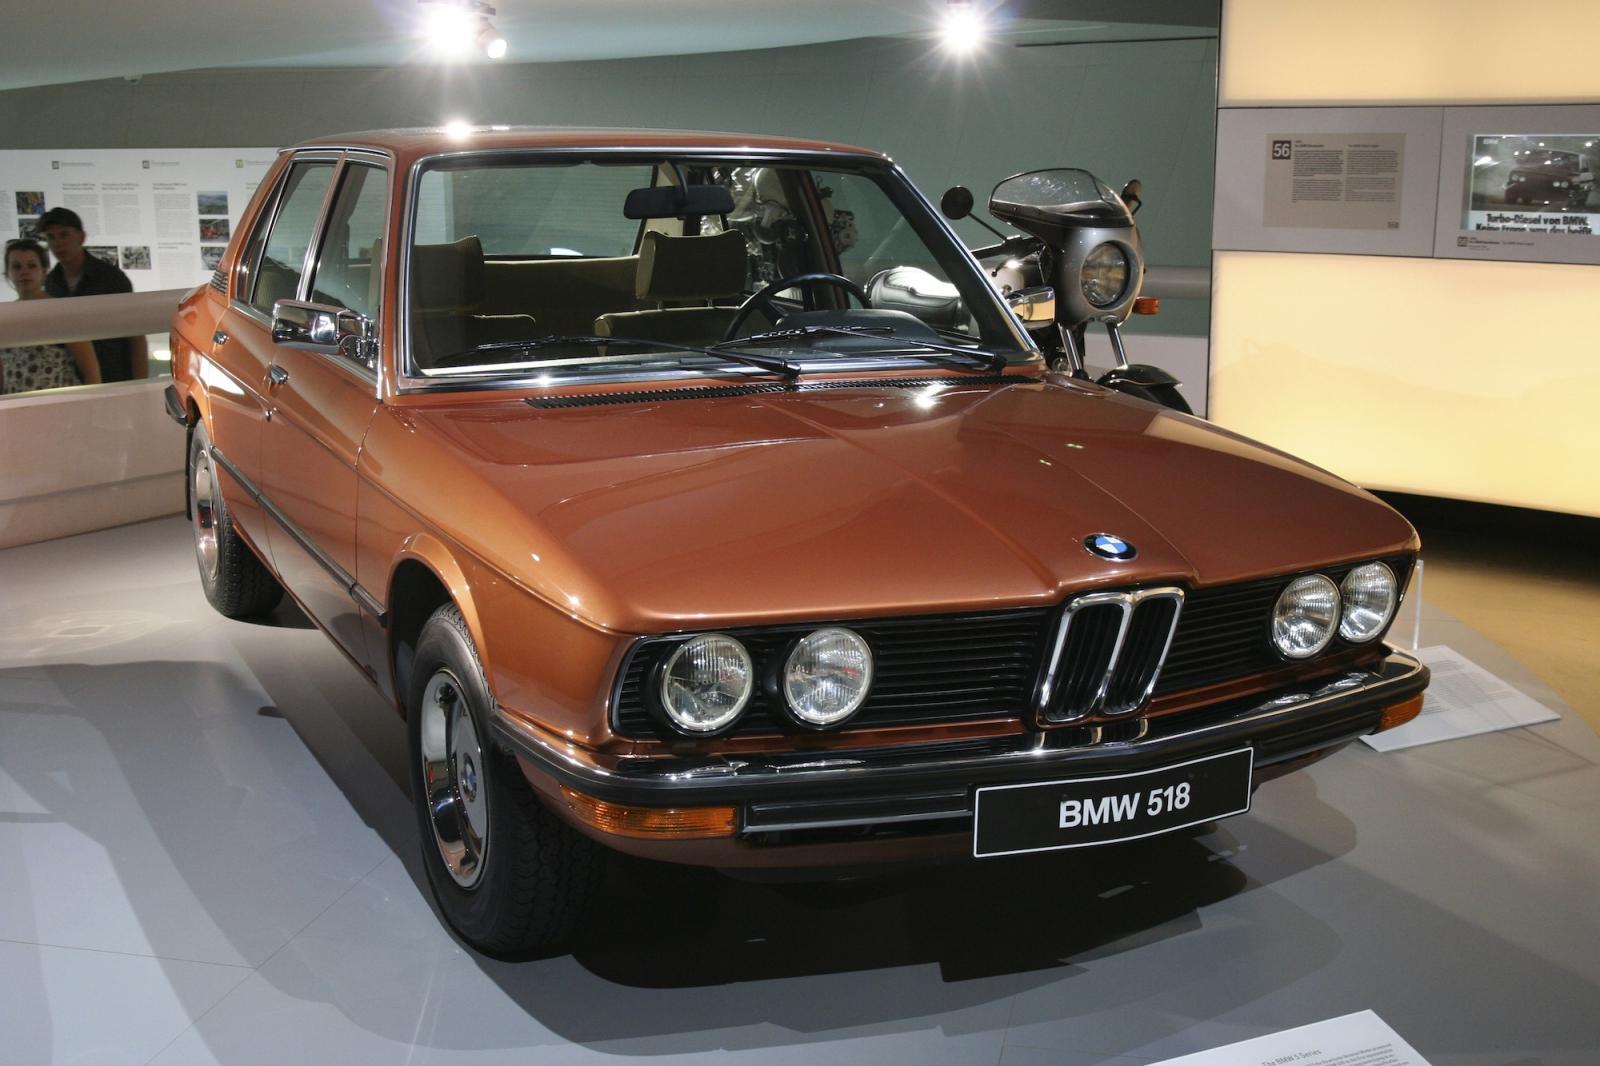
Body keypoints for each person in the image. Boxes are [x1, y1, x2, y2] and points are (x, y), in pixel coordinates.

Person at [37, 206, 149, 383]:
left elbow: (136, 337)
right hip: (71, 381)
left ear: (81, 237)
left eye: (64, 234)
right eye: (51, 237)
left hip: (115, 377)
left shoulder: (110, 278)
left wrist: (140, 385)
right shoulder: (52, 282)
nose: (58, 243)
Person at [1, 239, 102, 394]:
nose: (24, 272)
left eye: (31, 265)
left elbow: (91, 372)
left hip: (60, 404)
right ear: (7, 274)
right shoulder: (5, 317)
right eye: (16, 266)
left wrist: (90, 405)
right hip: (16, 405)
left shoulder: (61, 313)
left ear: (44, 271)